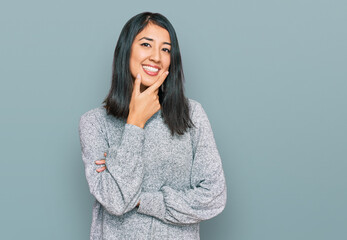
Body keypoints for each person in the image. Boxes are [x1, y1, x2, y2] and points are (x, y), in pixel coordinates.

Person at [79, 12, 227, 240]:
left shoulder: (191, 114)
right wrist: (135, 123)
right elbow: (116, 202)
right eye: (146, 44)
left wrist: (141, 200)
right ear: (126, 50)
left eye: (166, 49)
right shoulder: (94, 123)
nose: (156, 57)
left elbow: (213, 197)